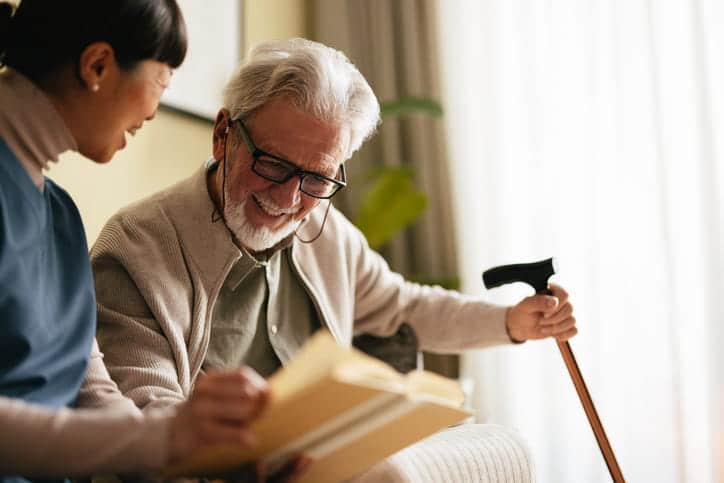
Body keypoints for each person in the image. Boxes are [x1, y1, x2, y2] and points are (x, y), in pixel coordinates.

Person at [90, 38, 577, 479]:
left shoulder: (330, 235)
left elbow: (403, 307)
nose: (288, 198)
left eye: (317, 179)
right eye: (274, 165)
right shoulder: (135, 247)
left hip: (328, 463)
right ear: (224, 135)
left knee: (507, 449)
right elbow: (145, 417)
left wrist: (512, 322)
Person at [0, 2, 269, 482]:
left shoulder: (60, 216)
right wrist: (161, 440)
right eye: (163, 79)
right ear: (98, 65)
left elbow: (92, 388)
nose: (155, 109)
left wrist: (204, 449)